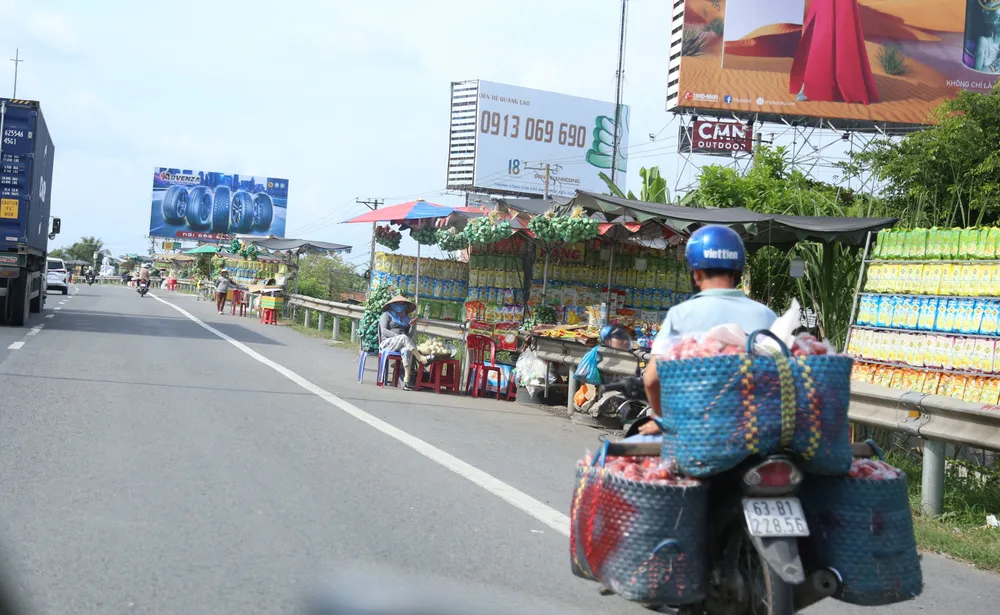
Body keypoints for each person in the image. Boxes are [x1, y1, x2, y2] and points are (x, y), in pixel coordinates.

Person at [631, 225, 778, 439]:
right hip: (756, 435)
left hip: (694, 435)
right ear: (738, 272)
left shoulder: (681, 314)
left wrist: (661, 419)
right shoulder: (767, 315)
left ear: (696, 274)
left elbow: (651, 379)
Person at [378, 295, 429, 390]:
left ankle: (406, 381)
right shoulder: (386, 315)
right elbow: (384, 330)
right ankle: (420, 358)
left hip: (401, 343)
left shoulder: (406, 319)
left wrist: (413, 326)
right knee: (403, 338)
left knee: (406, 350)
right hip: (387, 343)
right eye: (398, 303)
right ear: (392, 305)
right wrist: (398, 337)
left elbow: (409, 336)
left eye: (403, 304)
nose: (401, 305)